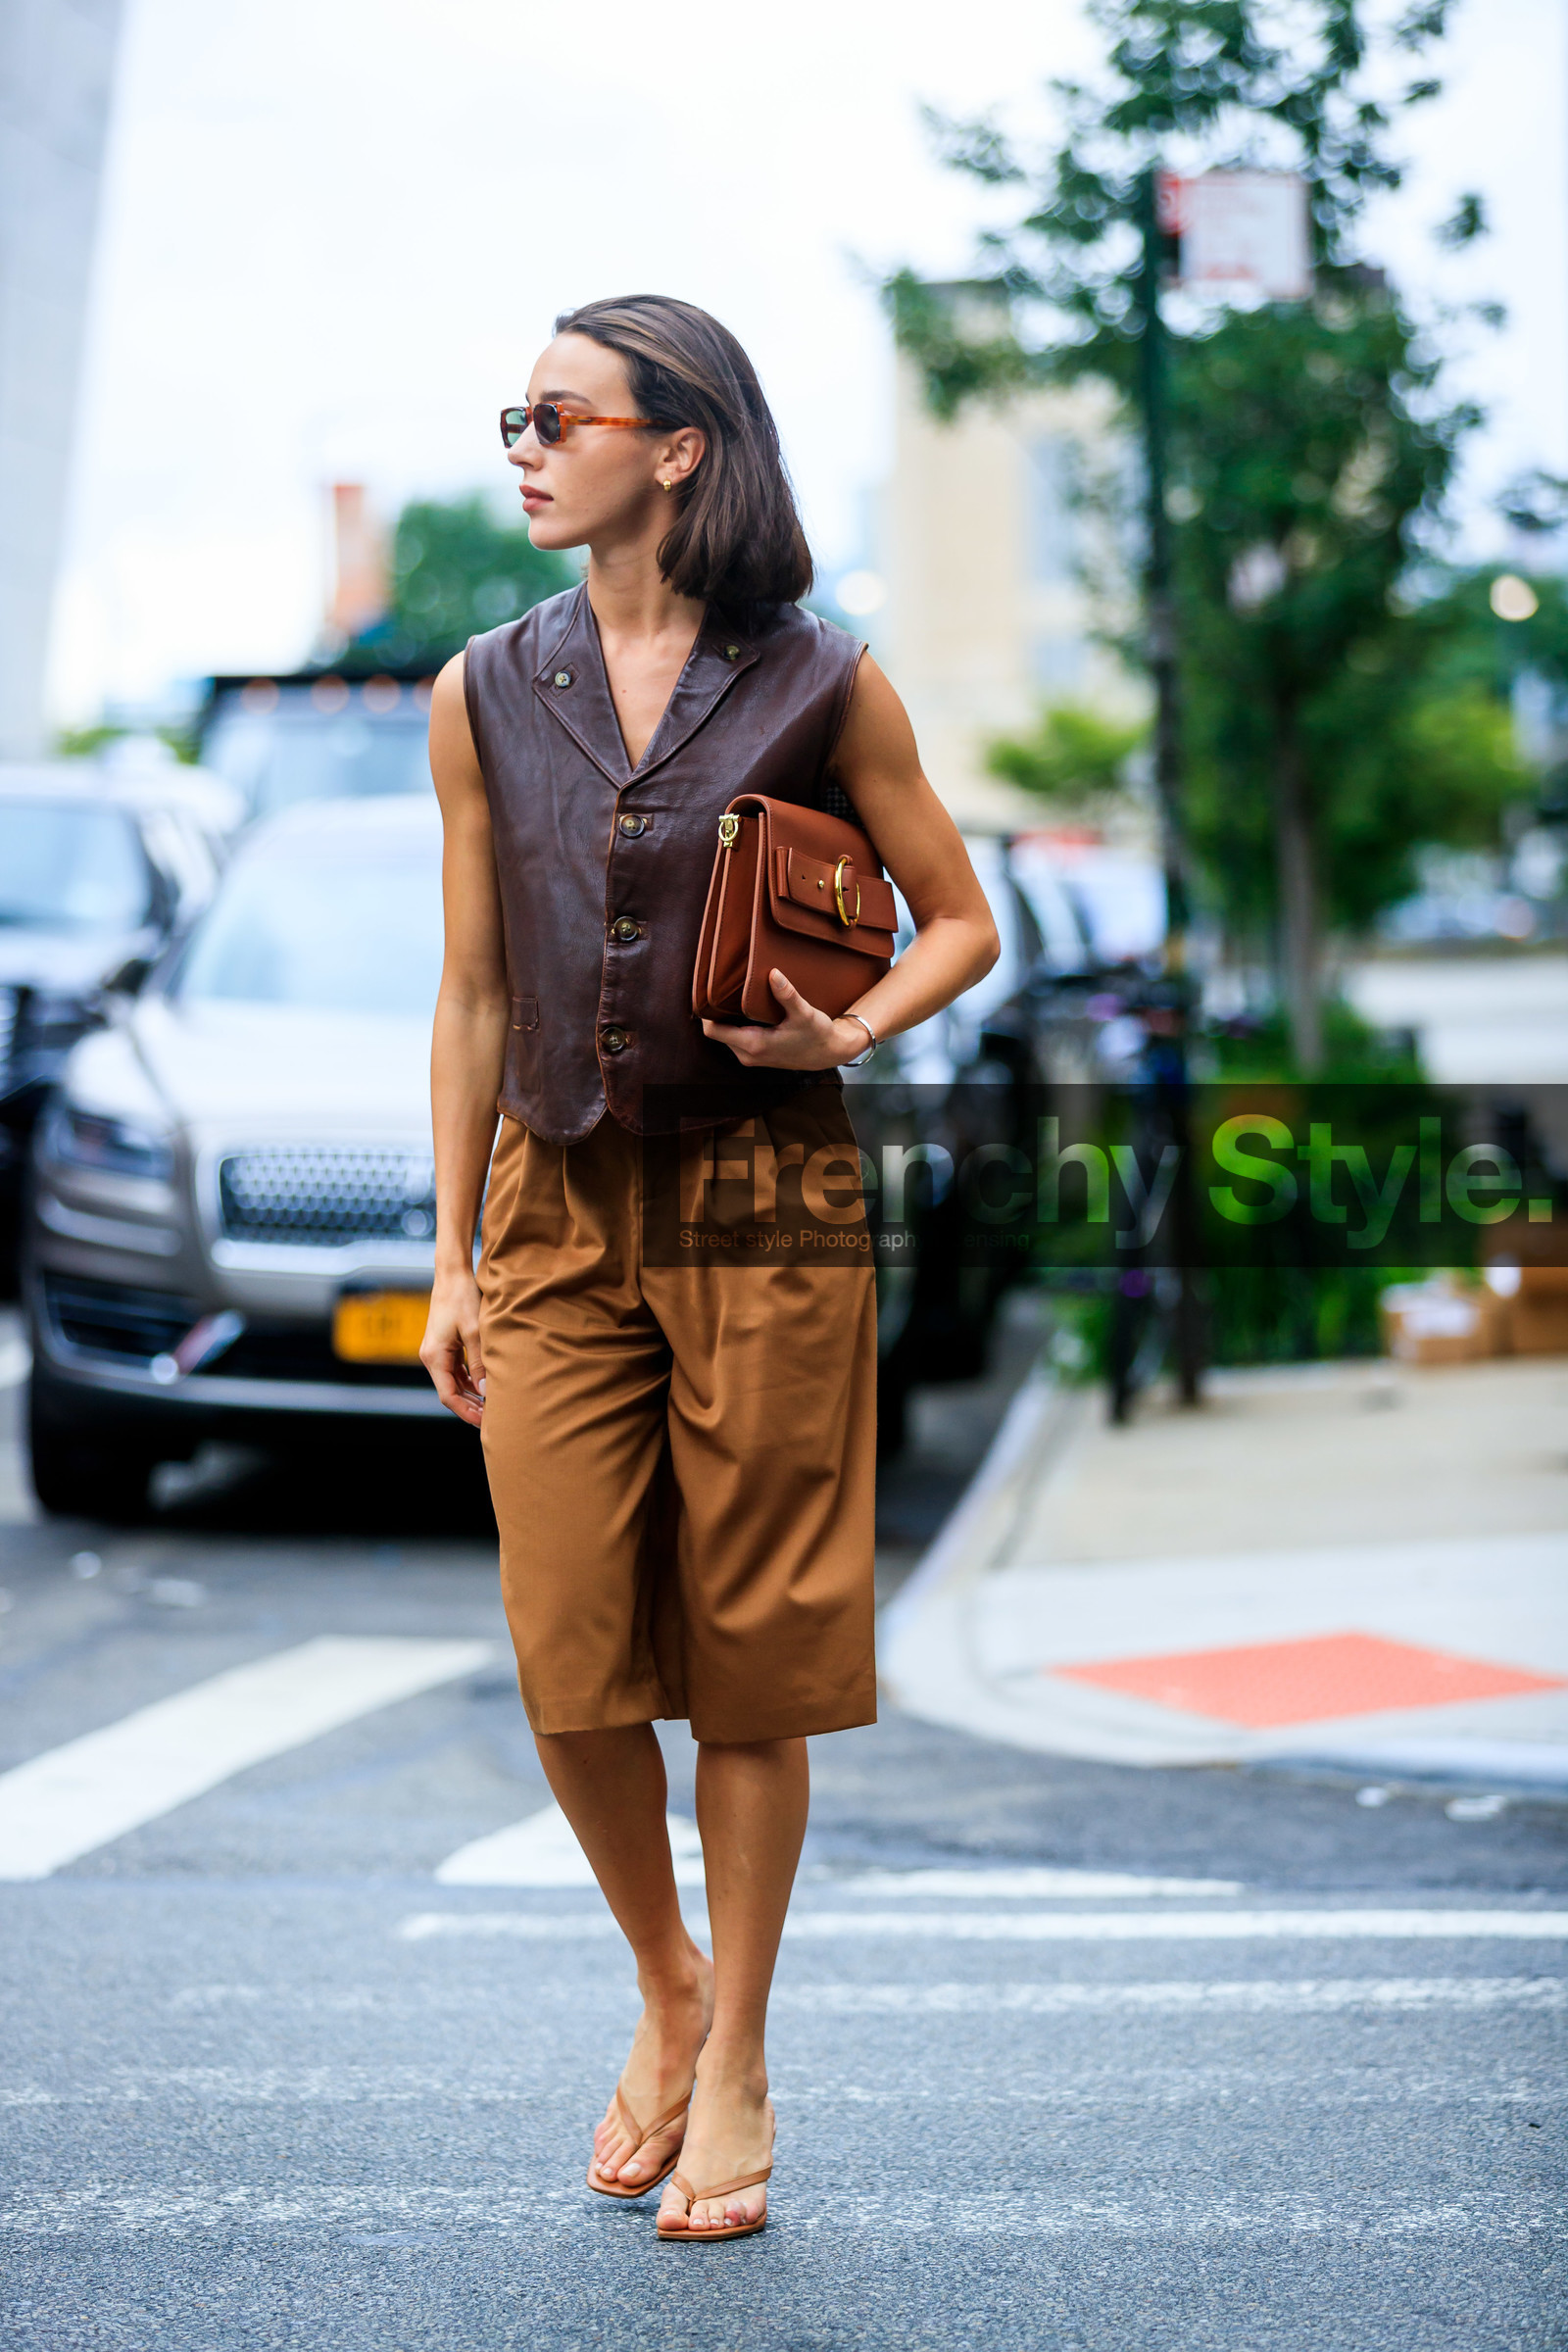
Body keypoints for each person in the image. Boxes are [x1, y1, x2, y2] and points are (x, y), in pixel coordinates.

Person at [420, 294, 998, 2242]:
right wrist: (449, 1257)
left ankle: (735, 2046)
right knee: (568, 1647)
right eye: (515, 415)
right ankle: (659, 1973)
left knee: (748, 1656)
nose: (521, 443)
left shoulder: (824, 681)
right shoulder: (481, 685)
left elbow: (957, 922)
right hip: (555, 1205)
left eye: (555, 414)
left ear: (674, 447)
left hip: (766, 1206)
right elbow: (477, 986)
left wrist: (847, 1035)